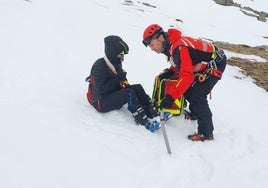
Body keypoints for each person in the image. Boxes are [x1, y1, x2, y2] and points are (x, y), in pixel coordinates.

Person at [142, 24, 227, 141]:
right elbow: (182, 64)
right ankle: (196, 113)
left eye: (151, 44)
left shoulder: (178, 47)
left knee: (198, 96)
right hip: (204, 63)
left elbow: (187, 76)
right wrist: (171, 71)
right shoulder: (170, 46)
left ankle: (206, 133)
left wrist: (171, 97)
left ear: (160, 38)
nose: (152, 49)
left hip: (216, 63)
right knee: (187, 88)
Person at [86, 35, 160, 132]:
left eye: (123, 54)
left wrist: (123, 81)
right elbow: (102, 89)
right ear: (112, 53)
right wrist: (118, 79)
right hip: (100, 102)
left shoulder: (116, 63)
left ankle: (151, 111)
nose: (122, 57)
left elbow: (121, 83)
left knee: (137, 87)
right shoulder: (99, 66)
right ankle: (142, 120)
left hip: (110, 95)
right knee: (128, 93)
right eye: (121, 54)